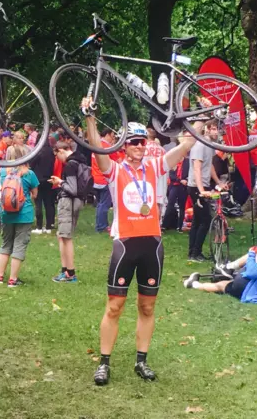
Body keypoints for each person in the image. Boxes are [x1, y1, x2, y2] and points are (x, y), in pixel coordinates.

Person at [83, 99, 203, 387]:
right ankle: (104, 363)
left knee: (147, 307)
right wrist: (90, 118)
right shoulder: (115, 170)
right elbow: (98, 148)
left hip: (152, 245)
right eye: (133, 142)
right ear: (125, 145)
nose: (138, 146)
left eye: (141, 142)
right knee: (115, 306)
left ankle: (141, 360)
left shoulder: (154, 167)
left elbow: (186, 144)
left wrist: (202, 113)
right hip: (125, 244)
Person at [0, 145, 39, 287]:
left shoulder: (2, 172)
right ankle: (13, 279)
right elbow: (35, 194)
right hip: (24, 214)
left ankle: (0, 276)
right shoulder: (29, 173)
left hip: (6, 213)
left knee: (6, 243)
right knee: (20, 245)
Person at [49, 141, 88, 283]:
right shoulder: (80, 161)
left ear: (61, 151)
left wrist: (59, 182)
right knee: (62, 236)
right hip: (77, 202)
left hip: (68, 202)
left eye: (56, 156)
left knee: (66, 237)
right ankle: (64, 270)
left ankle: (70, 273)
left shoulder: (71, 165)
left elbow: (72, 188)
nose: (57, 159)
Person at [187, 120, 226, 262]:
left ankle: (193, 252)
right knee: (205, 220)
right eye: (214, 129)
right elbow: (197, 168)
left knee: (198, 220)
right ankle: (195, 253)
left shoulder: (209, 146)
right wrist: (201, 190)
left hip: (203, 186)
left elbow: (210, 167)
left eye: (218, 129)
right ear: (207, 130)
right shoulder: (199, 145)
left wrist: (218, 182)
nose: (217, 132)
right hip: (196, 187)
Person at [184, 246, 257, 304]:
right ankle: (194, 284)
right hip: (245, 293)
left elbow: (252, 273)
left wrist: (251, 254)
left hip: (246, 283)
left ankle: (228, 267)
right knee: (222, 285)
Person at [91, 128, 120, 233]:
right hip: (105, 179)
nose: (113, 137)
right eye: (113, 135)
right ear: (108, 134)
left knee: (100, 204)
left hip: (96, 179)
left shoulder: (96, 146)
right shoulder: (108, 147)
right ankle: (101, 226)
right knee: (105, 204)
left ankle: (101, 224)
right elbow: (119, 162)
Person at [30, 136, 56, 233]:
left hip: (37, 180)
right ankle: (49, 226)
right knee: (48, 203)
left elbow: (31, 165)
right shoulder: (50, 151)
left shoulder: (37, 151)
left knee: (38, 203)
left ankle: (39, 226)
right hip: (48, 179)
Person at [162, 148, 189, 232]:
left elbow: (189, 173)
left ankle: (179, 226)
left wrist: (186, 180)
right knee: (170, 204)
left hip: (183, 187)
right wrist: (180, 180)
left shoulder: (187, 162)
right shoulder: (174, 162)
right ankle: (164, 225)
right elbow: (171, 175)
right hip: (174, 186)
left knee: (182, 206)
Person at [145, 128, 167, 219]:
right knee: (158, 203)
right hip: (160, 179)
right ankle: (157, 225)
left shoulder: (143, 149)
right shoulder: (162, 150)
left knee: (146, 202)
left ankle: (147, 224)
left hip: (146, 178)